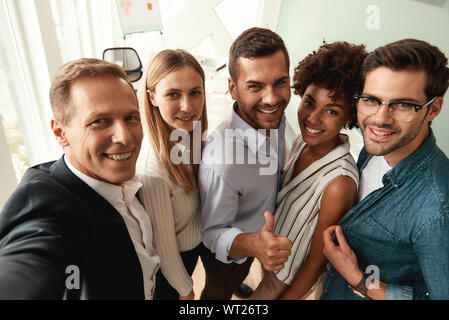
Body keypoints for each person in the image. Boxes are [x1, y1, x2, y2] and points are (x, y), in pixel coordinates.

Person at [0, 58, 160, 299]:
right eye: (99, 121)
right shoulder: (46, 202)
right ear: (60, 133)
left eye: (130, 118)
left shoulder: (128, 180)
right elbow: (28, 262)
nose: (125, 137)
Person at [320, 39, 449, 300]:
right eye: (371, 100)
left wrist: (359, 279)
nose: (380, 118)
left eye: (402, 104)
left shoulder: (437, 212)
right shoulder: (377, 144)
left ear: (433, 108)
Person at [249, 41, 368, 300]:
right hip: (270, 254)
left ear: (350, 117)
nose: (313, 118)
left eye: (332, 111)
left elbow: (316, 261)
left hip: (286, 277)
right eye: (309, 102)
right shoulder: (302, 140)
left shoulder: (339, 182)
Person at [199, 27, 293, 300]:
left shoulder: (272, 118)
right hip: (228, 257)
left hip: (258, 237)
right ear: (232, 89)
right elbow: (212, 233)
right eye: (255, 86)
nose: (272, 98)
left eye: (280, 82)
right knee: (217, 294)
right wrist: (254, 245)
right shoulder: (222, 162)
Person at [137, 49, 211, 300]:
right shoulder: (152, 171)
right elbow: (165, 250)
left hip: (197, 241)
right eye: (173, 95)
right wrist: (186, 290)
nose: (187, 106)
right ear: (153, 98)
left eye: (195, 93)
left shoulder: (188, 134)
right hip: (176, 265)